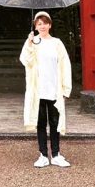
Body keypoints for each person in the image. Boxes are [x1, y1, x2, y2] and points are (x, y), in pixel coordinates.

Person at [20, 11, 72, 168]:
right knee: (41, 122)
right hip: (38, 89)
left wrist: (65, 88)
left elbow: (65, 65)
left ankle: (56, 154)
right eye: (39, 24)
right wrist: (29, 44)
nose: (42, 26)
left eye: (45, 23)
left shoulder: (57, 43)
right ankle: (43, 154)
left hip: (54, 88)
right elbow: (25, 61)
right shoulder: (32, 42)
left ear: (50, 24)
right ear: (35, 26)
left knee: (55, 122)